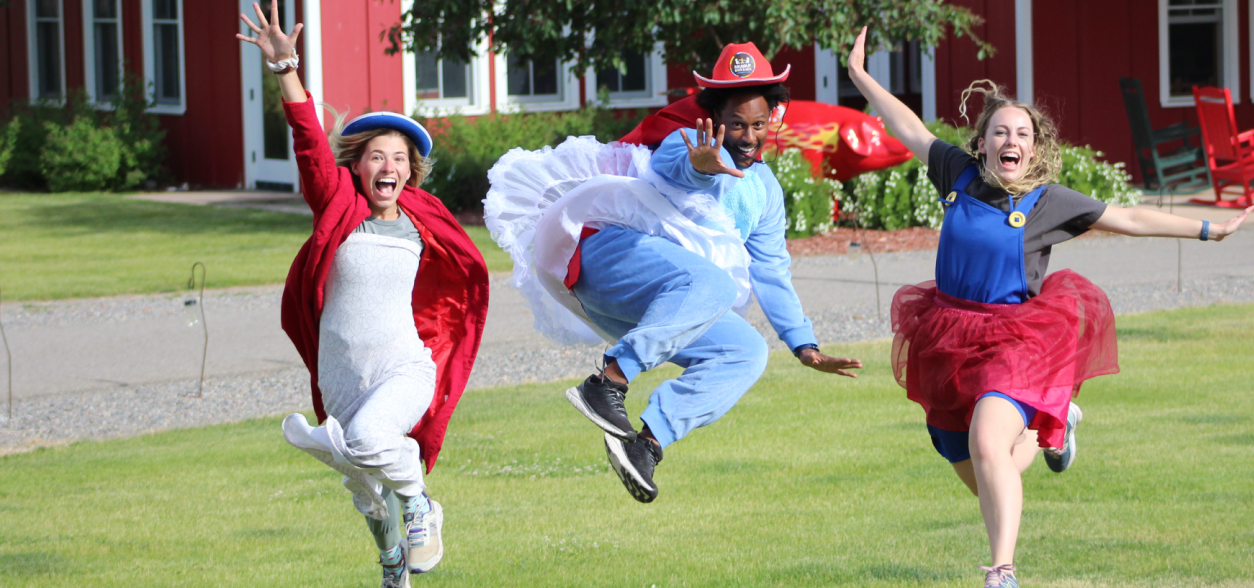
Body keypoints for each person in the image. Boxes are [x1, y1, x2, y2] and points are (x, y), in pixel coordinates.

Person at [845, 27, 1251, 588]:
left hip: (1016, 341)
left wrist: (1208, 229)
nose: (1011, 140)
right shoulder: (956, 174)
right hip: (948, 334)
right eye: (1000, 131)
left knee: (989, 441)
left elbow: (1130, 219)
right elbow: (907, 125)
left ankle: (1002, 572)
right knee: (986, 467)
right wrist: (862, 78)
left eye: (1022, 134)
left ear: (1034, 148)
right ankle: (1051, 427)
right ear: (982, 142)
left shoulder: (1048, 201)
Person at [485, 43, 862, 504]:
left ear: (773, 120)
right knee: (715, 284)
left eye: (758, 124)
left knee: (746, 351)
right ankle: (607, 384)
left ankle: (647, 447)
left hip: (658, 301)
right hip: (607, 262)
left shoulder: (765, 189)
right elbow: (675, 168)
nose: (747, 136)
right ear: (713, 119)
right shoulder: (685, 144)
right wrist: (700, 167)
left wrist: (804, 345)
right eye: (736, 124)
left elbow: (770, 267)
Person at [238, 3, 489, 587]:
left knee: (373, 442)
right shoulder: (339, 208)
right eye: (378, 155)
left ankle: (424, 508)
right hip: (342, 377)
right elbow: (308, 145)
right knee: (365, 484)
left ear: (410, 171)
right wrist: (287, 69)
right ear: (357, 165)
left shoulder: (424, 219)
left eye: (400, 158)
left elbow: (461, 280)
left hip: (404, 367)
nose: (389, 165)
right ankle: (391, 562)